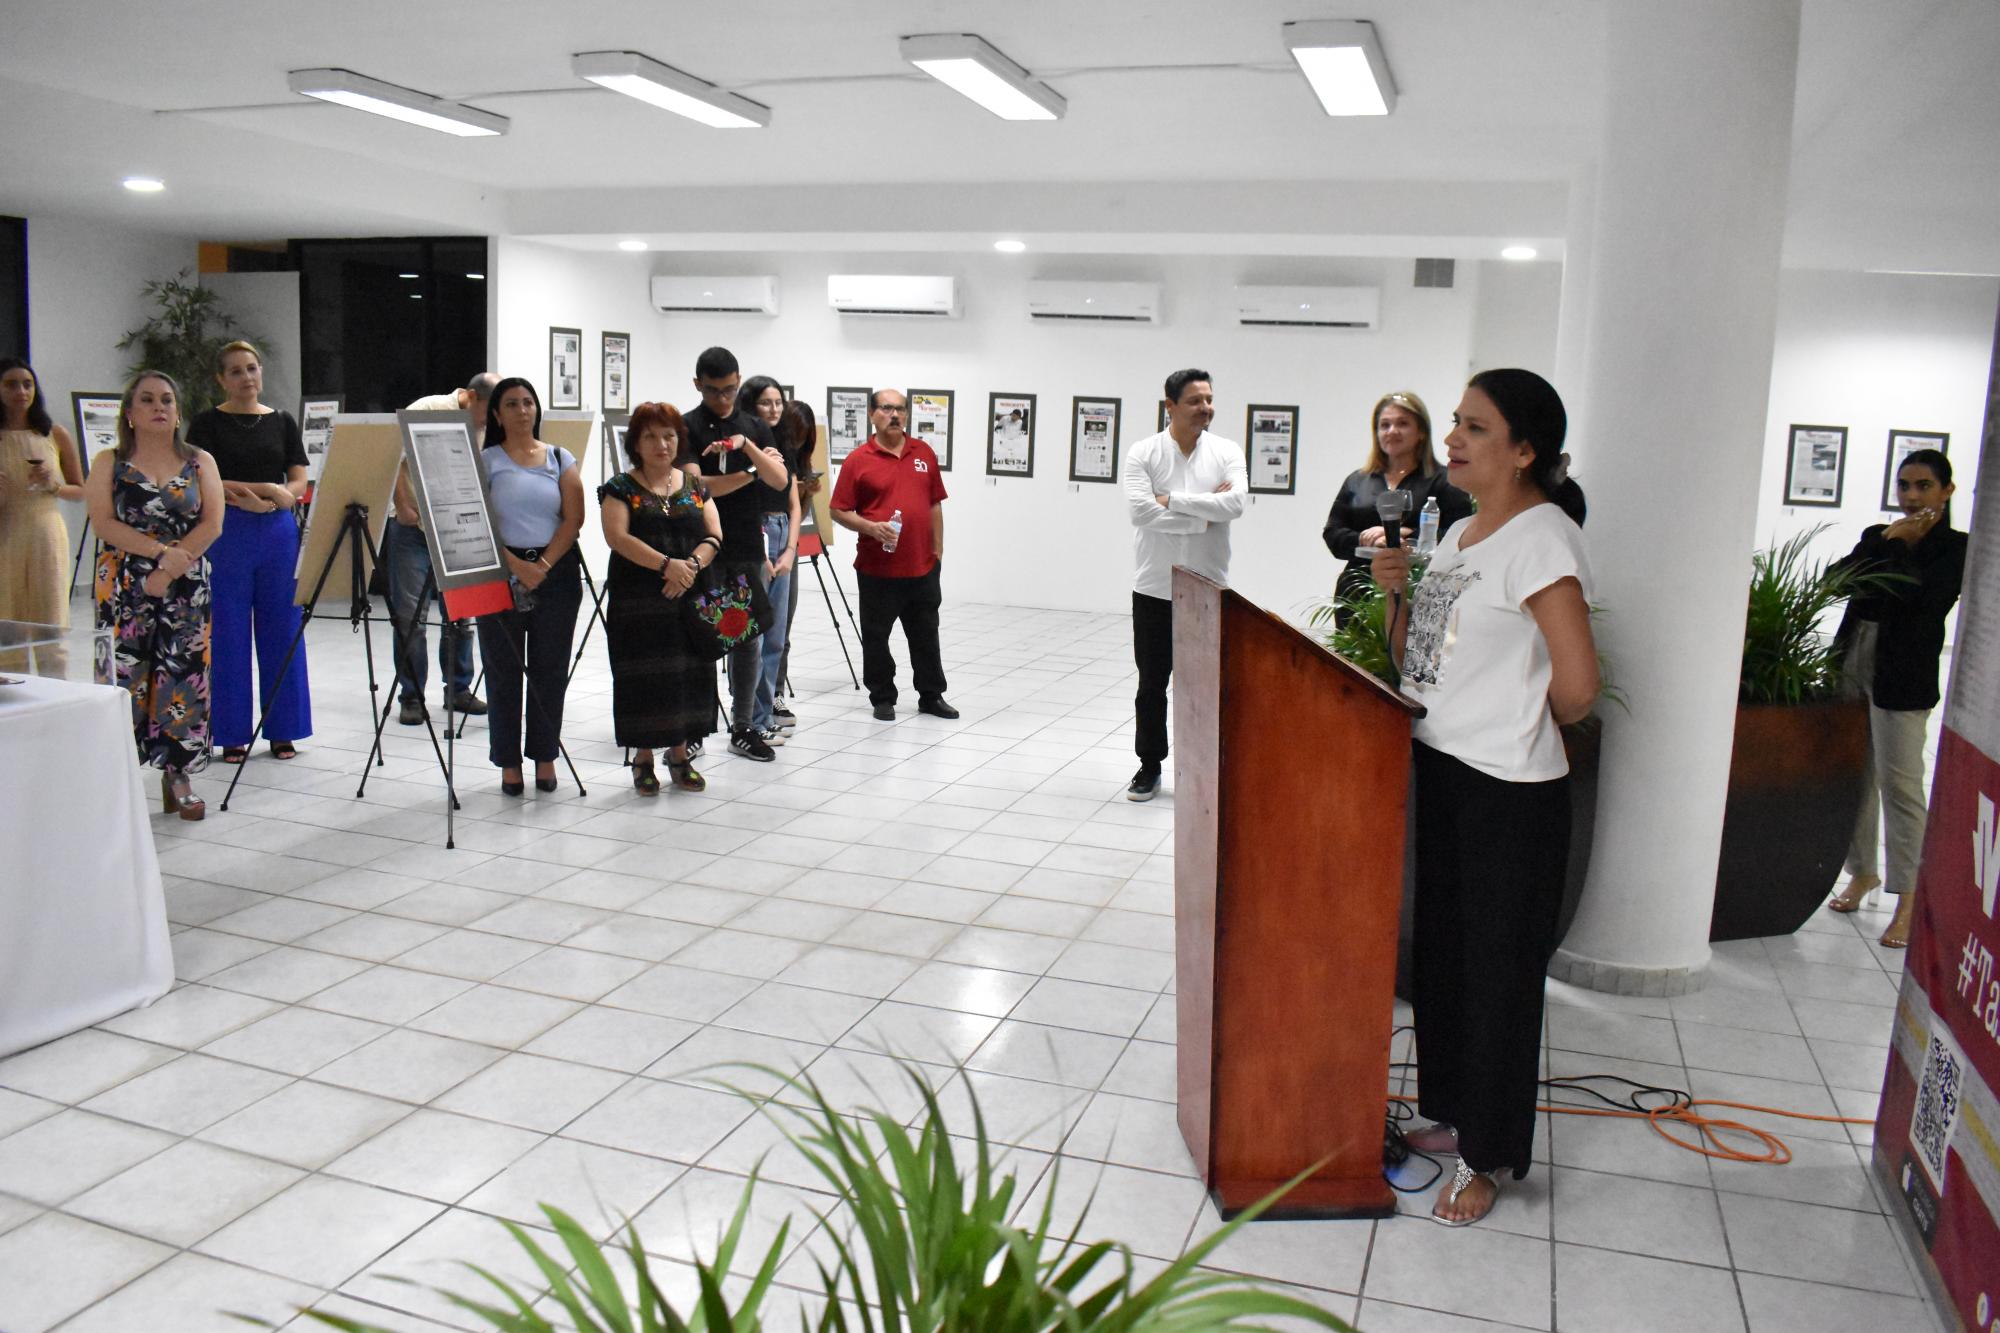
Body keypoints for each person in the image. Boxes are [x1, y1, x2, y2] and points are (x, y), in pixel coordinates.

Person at [1371, 368, 1597, 1227]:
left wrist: (1507, 719)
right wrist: (1398, 589)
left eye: (1476, 428)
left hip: (1510, 791)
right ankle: (1448, 1111)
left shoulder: (1543, 537)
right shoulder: (1461, 531)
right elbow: (1416, 662)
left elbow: (1577, 687)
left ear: (1527, 451)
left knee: (1499, 975)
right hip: (1444, 766)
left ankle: (1489, 1152)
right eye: (1456, 422)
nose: (1454, 438)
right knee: (1446, 958)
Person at [1826, 448, 1966, 949]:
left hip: (1903, 674)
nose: (1910, 496)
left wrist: (1902, 549)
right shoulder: (1879, 537)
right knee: (1856, 775)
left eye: (1923, 485)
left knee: (1900, 783)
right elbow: (1834, 582)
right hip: (1855, 656)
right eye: (1904, 485)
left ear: (1946, 490)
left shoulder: (1956, 548)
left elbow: (1921, 602)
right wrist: (1889, 542)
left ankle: (1909, 896)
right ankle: (1862, 872)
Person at [86, 371, 224, 819]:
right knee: (123, 679)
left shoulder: (200, 460)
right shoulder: (109, 461)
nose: (158, 407)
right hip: (125, 584)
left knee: (181, 676)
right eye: (147, 400)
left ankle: (178, 775)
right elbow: (104, 522)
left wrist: (172, 564)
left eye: (167, 399)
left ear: (178, 411)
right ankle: (115, 776)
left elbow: (212, 523)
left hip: (185, 583)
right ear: (129, 413)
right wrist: (158, 555)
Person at [1120, 368, 1248, 801]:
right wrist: (1205, 516)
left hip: (1209, 590)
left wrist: (1171, 500)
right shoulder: (1144, 452)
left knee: (1206, 688)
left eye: (1209, 399)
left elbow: (1236, 503)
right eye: (1195, 400)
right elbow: (1140, 513)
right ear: (1170, 406)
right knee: (1151, 685)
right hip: (1154, 589)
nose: (1206, 408)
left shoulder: (1227, 451)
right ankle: (1149, 766)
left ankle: (1203, 770)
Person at [185, 340, 311, 763]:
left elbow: (298, 483)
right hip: (226, 530)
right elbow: (202, 481)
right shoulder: (206, 425)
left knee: (283, 627)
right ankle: (232, 732)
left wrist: (276, 500)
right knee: (228, 632)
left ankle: (284, 730)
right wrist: (266, 492)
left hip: (277, 532)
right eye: (236, 371)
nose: (246, 378)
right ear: (221, 379)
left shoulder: (282, 421)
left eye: (252, 368)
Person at [598, 401, 724, 794]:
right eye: (650, 436)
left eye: (669, 435)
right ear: (636, 442)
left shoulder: (694, 487)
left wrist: (689, 567)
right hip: (638, 603)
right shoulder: (620, 487)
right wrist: (667, 565)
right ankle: (643, 758)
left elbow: (714, 535)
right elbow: (617, 538)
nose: (661, 444)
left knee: (686, 677)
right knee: (643, 678)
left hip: (688, 597)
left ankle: (681, 754)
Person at [476, 377, 585, 795]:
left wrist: (540, 565)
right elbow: (479, 521)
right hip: (500, 569)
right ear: (497, 414)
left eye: (528, 403)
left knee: (549, 670)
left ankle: (544, 756)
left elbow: (573, 519)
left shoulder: (560, 458)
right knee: (503, 671)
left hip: (554, 571)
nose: (522, 411)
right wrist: (516, 566)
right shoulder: (485, 460)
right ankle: (508, 763)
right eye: (511, 404)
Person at [681, 347, 790, 761]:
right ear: (698, 385)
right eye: (714, 391)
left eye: (730, 389)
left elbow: (779, 480)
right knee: (703, 637)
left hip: (745, 545)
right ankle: (695, 727)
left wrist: (749, 448)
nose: (724, 398)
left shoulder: (754, 426)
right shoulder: (687, 427)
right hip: (703, 545)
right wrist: (749, 472)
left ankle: (743, 725)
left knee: (746, 638)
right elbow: (696, 488)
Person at [830, 388, 955, 722]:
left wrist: (938, 551)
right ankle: (882, 697)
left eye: (900, 409)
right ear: (872, 414)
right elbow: (838, 510)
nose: (895, 415)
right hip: (877, 570)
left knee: (926, 634)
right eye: (887, 408)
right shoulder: (858, 460)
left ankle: (931, 695)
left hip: (922, 567)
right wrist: (871, 528)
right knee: (876, 637)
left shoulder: (923, 453)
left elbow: (934, 504)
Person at [391, 374, 497, 724]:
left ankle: (458, 689)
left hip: (457, 526)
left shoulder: (487, 425)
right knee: (411, 615)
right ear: (469, 397)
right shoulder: (428, 409)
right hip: (413, 525)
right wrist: (403, 506)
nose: (487, 420)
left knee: (461, 614)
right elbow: (393, 461)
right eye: (486, 411)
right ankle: (412, 695)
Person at [1322, 390, 1472, 611]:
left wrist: (1406, 535)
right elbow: (1333, 534)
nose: (1392, 431)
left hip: (1417, 591)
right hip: (1357, 596)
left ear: (1421, 431)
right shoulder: (1358, 480)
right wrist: (1369, 539)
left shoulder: (1445, 481)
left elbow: (1460, 535)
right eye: (1384, 425)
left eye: (1402, 424)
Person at [0, 358, 85, 676]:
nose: (21, 391)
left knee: (49, 613)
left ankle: (55, 686)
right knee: (6, 612)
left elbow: (82, 490)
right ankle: (11, 691)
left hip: (45, 530)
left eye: (27, 383)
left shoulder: (54, 434)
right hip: (5, 531)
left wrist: (54, 485)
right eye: (11, 384)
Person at [737, 375, 801, 744]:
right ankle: (750, 718)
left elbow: (793, 504)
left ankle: (764, 715)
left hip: (781, 535)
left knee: (776, 636)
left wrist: (790, 550)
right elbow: (743, 504)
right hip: (754, 536)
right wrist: (763, 553)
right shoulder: (744, 447)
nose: (774, 409)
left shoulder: (783, 444)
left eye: (779, 402)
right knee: (752, 637)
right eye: (766, 402)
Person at [774, 398, 819, 730]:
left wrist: (807, 493)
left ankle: (775, 693)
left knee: (782, 629)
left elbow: (799, 517)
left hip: (791, 550)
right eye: (795, 436)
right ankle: (746, 700)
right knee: (752, 630)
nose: (798, 443)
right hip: (760, 545)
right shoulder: (768, 457)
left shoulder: (800, 462)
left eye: (804, 438)